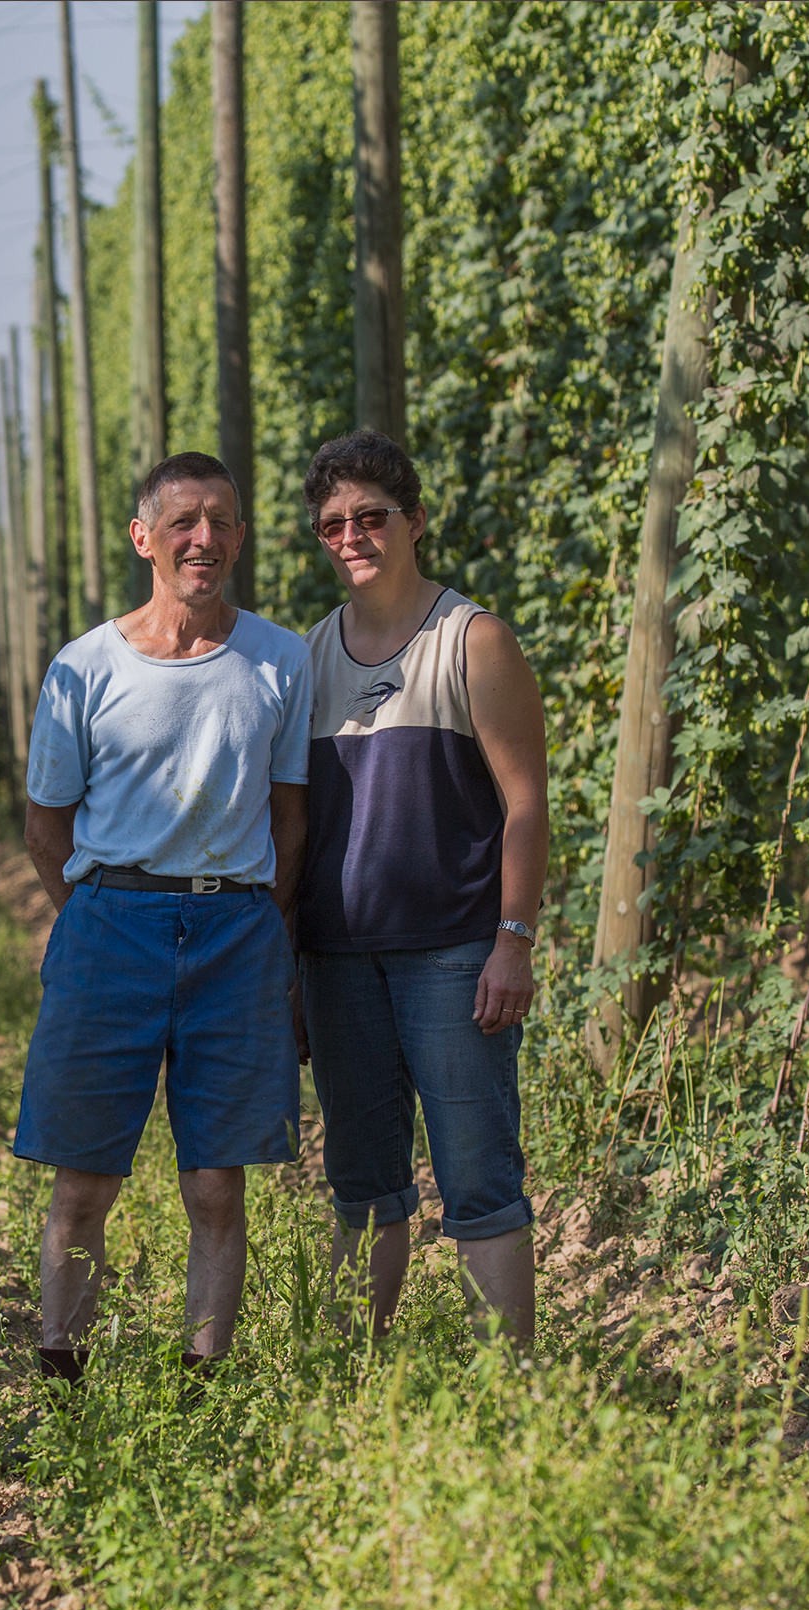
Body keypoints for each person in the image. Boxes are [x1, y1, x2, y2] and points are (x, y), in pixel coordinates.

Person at [16, 451, 310, 1383]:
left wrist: (266, 925)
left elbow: (291, 816)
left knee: (217, 1182)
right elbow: (44, 825)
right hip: (112, 926)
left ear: (242, 538)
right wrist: (95, 913)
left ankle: (203, 1383)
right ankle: (63, 1377)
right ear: (143, 537)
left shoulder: (279, 659)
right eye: (183, 521)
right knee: (84, 1177)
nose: (204, 539)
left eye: (222, 521)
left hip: (236, 932)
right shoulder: (83, 669)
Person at [295, 429, 550, 1347]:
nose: (353, 535)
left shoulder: (471, 640)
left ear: (415, 522)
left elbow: (526, 803)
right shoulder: (306, 661)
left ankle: (509, 1393)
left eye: (372, 516)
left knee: (480, 1177)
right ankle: (355, 1378)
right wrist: (290, 967)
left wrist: (511, 939)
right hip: (337, 964)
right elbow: (295, 831)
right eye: (333, 524)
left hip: (453, 958)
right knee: (362, 1183)